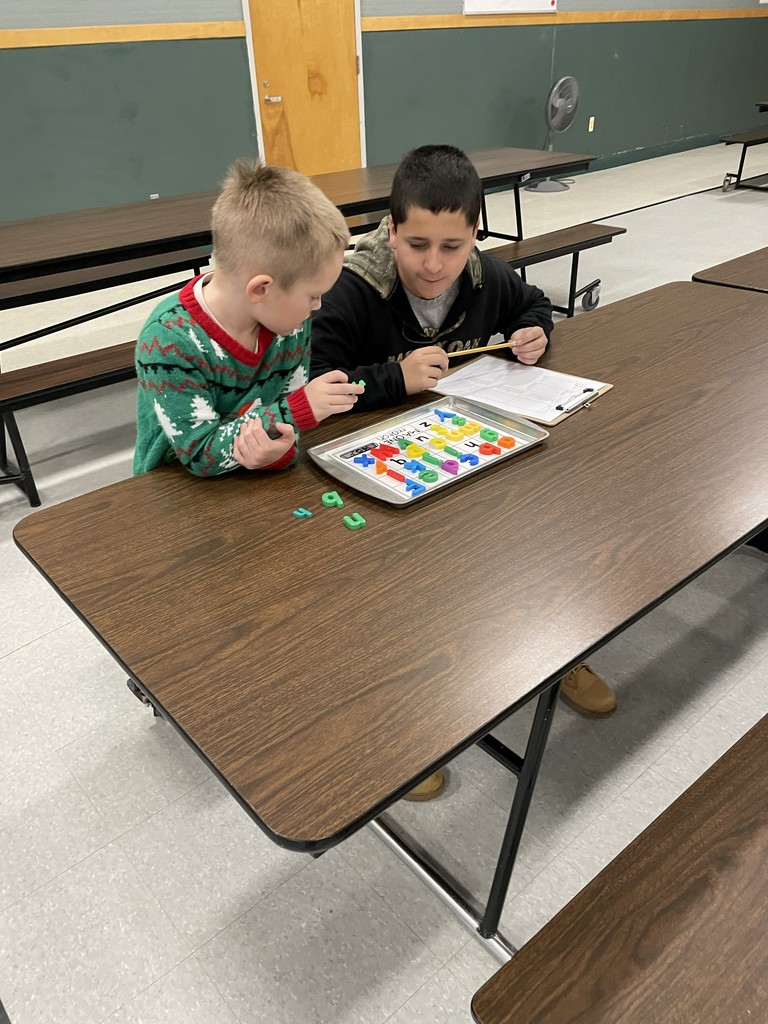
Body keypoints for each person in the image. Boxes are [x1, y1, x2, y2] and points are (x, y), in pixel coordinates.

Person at [310, 145, 616, 798]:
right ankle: (401, 724)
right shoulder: (350, 292)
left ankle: (551, 657)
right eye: (415, 243)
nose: (432, 263)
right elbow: (314, 390)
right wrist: (393, 377)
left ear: (474, 236)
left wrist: (537, 332)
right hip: (379, 472)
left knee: (531, 529)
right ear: (389, 230)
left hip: (464, 452)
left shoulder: (483, 276)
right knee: (399, 596)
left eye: (451, 246)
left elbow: (532, 306)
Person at [133, 159, 364, 478]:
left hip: (255, 484)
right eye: (312, 296)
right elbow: (200, 453)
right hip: (176, 492)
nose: (318, 306)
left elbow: (285, 431)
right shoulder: (169, 342)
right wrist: (298, 411)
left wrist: (279, 449)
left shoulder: (291, 324)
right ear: (261, 289)